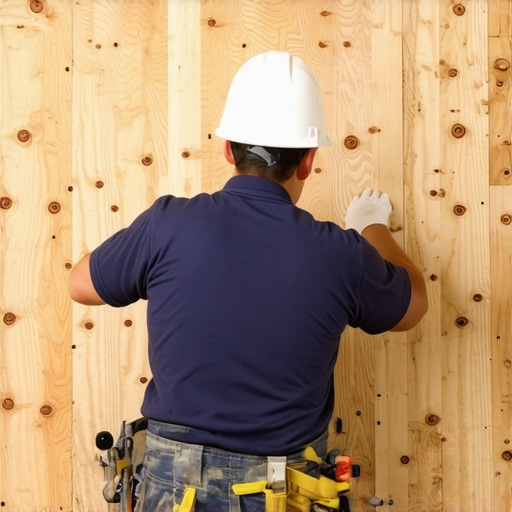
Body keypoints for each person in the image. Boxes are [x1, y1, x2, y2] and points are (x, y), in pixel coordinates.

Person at [69, 50, 427, 511]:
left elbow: (80, 283)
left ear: (227, 149)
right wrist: (370, 227)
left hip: (173, 488)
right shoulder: (341, 252)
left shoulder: (168, 224)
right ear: (308, 160)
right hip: (283, 491)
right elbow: (413, 304)